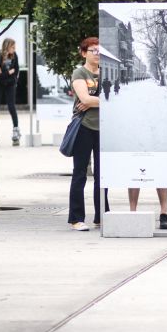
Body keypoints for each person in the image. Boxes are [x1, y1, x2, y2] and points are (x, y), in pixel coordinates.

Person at [68, 37, 109, 231]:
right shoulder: (80, 72)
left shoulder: (106, 73)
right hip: (84, 127)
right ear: (84, 53)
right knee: (80, 173)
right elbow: (83, 98)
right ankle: (76, 218)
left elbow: (117, 97)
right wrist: (102, 100)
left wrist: (93, 100)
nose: (97, 54)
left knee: (103, 175)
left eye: (99, 51)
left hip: (104, 129)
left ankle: (101, 216)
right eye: (93, 50)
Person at [0, 38, 21, 145]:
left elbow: (16, 70)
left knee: (11, 107)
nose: (14, 49)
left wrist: (5, 73)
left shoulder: (14, 56)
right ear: (7, 46)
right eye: (12, 47)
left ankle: (16, 131)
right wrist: (8, 72)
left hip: (10, 85)